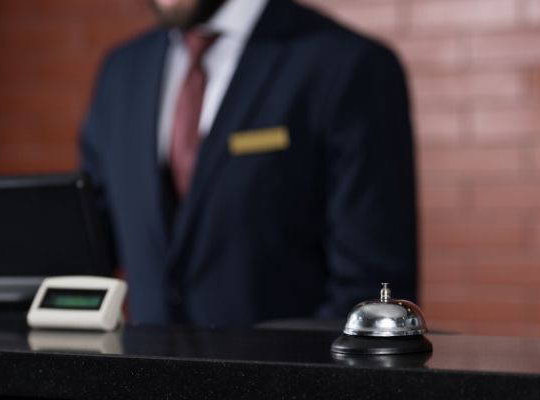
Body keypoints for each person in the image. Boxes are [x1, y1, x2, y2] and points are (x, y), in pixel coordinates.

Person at [80, 0, 418, 327]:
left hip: (291, 378)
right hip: (144, 378)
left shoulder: (348, 65)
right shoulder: (121, 72)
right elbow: (89, 245)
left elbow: (371, 287)